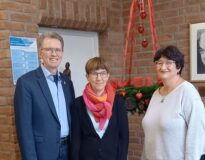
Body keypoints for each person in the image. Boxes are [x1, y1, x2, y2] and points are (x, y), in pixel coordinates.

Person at [14, 32, 75, 160]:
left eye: (58, 50)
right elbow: (24, 129)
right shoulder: (26, 83)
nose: (54, 54)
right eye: (49, 49)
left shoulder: (67, 82)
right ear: (40, 52)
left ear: (62, 53)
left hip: (69, 150)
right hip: (43, 153)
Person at [142, 45, 205, 160]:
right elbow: (151, 133)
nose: (163, 67)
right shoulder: (156, 94)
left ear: (178, 67)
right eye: (159, 63)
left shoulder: (188, 92)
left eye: (169, 63)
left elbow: (197, 134)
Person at [70, 57, 129, 160]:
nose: (99, 78)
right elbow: (75, 139)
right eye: (94, 73)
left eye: (103, 73)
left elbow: (123, 137)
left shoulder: (118, 103)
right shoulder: (77, 104)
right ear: (87, 77)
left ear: (108, 76)